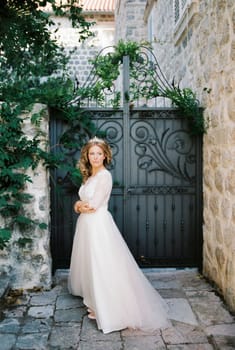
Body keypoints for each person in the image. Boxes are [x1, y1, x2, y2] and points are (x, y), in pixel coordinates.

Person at [68, 136, 171, 334]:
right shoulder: (89, 176)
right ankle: (93, 298)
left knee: (102, 263)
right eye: (92, 153)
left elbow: (93, 205)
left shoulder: (104, 176)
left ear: (105, 155)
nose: (95, 157)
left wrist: (77, 205)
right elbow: (85, 203)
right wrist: (80, 206)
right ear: (87, 156)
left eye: (99, 153)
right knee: (91, 263)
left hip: (98, 224)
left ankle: (107, 307)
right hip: (87, 225)